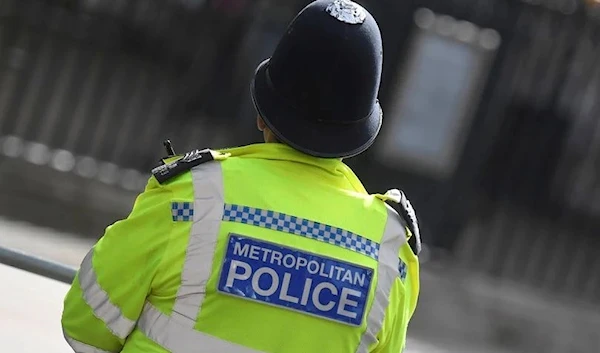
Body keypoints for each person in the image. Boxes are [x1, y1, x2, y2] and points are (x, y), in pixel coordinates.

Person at [61, 0, 421, 352]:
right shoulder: (388, 251)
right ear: (358, 137)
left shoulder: (191, 199)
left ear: (262, 115)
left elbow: (86, 323)